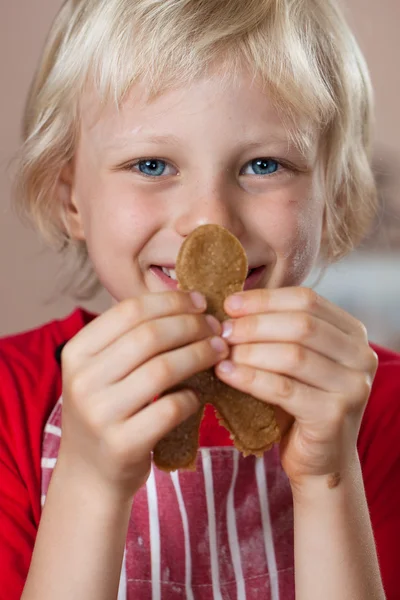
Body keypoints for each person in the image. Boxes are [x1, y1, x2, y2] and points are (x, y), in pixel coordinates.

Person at [1, 0, 399, 598]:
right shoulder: (11, 399)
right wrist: (89, 482)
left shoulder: (382, 407)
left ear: (333, 199)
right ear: (71, 199)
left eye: (265, 164)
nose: (210, 223)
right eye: (152, 164)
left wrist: (329, 482)